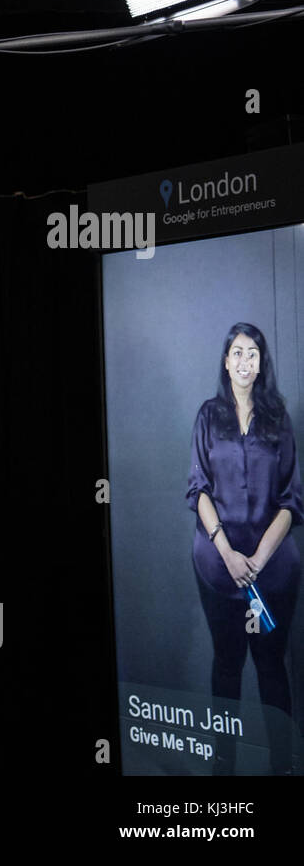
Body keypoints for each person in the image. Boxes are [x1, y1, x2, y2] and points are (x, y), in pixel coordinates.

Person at [187, 321, 304, 775]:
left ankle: (282, 768)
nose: (244, 360)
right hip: (218, 571)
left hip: (271, 575)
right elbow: (198, 490)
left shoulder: (278, 418)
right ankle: (224, 769)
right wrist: (230, 555)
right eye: (237, 351)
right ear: (225, 360)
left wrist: (256, 559)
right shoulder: (207, 417)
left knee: (272, 667)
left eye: (252, 353)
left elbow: (292, 500)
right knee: (227, 665)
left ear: (261, 364)